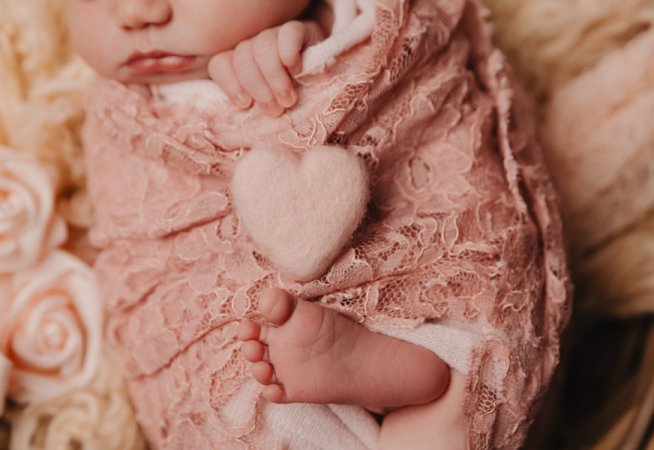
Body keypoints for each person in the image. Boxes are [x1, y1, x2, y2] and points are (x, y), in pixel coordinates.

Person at [68, 0, 569, 448]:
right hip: (251, 352)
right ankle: (387, 381)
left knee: (477, 357)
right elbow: (149, 266)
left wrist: (320, 40)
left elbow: (388, 64)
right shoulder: (122, 117)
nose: (137, 13)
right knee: (231, 406)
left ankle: (418, 365)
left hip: (407, 288)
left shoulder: (340, 27)